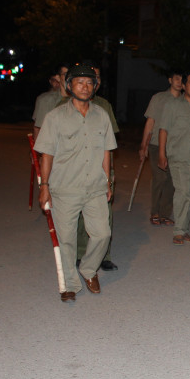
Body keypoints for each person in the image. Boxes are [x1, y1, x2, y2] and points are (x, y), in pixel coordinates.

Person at [34, 64, 116, 302]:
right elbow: (46, 154)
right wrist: (44, 186)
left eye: (90, 83)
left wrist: (108, 181)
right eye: (79, 82)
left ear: (95, 87)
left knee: (102, 233)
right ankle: (69, 283)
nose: (85, 86)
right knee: (67, 239)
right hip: (65, 188)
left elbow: (107, 152)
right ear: (69, 86)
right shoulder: (55, 117)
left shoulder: (101, 115)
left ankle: (89, 270)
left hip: (95, 187)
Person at [56, 61, 121, 272]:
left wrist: (108, 176)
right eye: (83, 80)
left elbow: (108, 145)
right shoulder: (62, 108)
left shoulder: (104, 107)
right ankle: (78, 253)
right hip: (73, 173)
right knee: (77, 217)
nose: (92, 83)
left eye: (96, 79)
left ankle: (104, 256)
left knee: (104, 216)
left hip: (99, 168)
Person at [158, 70, 190, 245]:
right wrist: (161, 153)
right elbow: (163, 129)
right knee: (183, 192)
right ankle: (179, 231)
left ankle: (184, 227)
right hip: (179, 156)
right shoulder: (172, 105)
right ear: (183, 85)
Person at [138, 69, 185, 226]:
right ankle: (155, 212)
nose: (179, 82)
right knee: (160, 178)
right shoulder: (158, 98)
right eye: (177, 78)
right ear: (170, 80)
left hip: (175, 147)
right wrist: (143, 145)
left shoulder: (185, 102)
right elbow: (150, 122)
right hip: (157, 144)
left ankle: (165, 213)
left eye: (182, 79)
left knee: (172, 181)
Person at [32, 64, 68, 139]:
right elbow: (38, 129)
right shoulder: (45, 100)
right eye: (65, 75)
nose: (68, 78)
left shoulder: (83, 101)